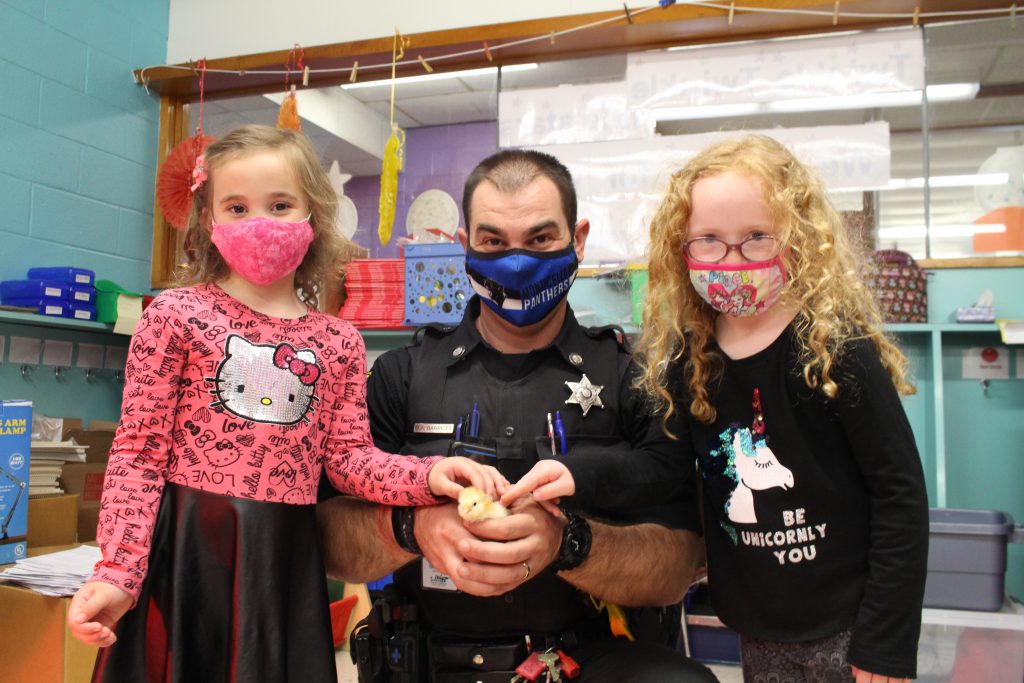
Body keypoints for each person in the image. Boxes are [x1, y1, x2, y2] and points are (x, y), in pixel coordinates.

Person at [66, 124, 506, 683]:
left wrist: (431, 473)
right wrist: (118, 571)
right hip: (185, 558)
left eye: (279, 205)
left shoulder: (338, 341)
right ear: (209, 220)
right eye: (237, 206)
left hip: (280, 562)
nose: (260, 223)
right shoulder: (173, 316)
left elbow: (350, 461)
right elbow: (137, 454)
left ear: (312, 216)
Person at [318, 149, 716, 682]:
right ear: (465, 246)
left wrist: (568, 543)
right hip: (427, 661)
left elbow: (677, 565)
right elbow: (328, 542)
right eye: (493, 242)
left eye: (539, 239)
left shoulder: (633, 380)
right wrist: (411, 527)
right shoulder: (400, 377)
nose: (517, 261)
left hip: (592, 661)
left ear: (577, 240)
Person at [636, 134, 929, 683]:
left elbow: (900, 492)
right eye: (709, 240)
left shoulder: (836, 346)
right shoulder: (691, 355)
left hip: (851, 627)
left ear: (797, 238)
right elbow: (666, 471)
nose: (732, 258)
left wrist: (886, 641)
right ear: (682, 247)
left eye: (756, 237)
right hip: (757, 626)